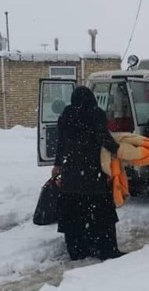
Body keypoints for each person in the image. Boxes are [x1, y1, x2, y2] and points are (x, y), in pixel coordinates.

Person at [52, 86, 125, 260]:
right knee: (101, 213)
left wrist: (57, 165)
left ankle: (77, 250)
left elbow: (61, 143)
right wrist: (116, 149)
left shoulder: (66, 115)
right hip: (93, 173)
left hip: (71, 174)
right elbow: (103, 137)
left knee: (73, 214)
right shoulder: (96, 113)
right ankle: (105, 248)